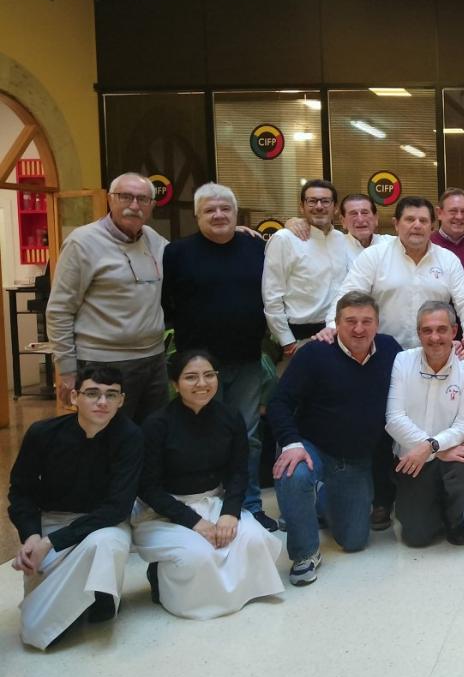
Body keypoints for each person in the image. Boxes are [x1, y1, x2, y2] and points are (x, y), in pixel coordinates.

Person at [134, 350, 284, 618]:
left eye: (208, 375)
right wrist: (195, 522)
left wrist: (230, 514)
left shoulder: (230, 417)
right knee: (198, 555)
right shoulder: (156, 424)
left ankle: (239, 595)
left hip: (214, 501)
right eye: (191, 377)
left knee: (253, 539)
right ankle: (172, 589)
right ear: (174, 383)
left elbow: (239, 472)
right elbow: (148, 487)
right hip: (167, 510)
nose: (201, 384)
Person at [161, 182, 276, 531]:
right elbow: (167, 306)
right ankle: (211, 506)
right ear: (197, 215)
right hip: (199, 368)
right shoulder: (177, 253)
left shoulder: (257, 248)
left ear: (236, 213)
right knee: (207, 435)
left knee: (248, 436)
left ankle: (249, 505)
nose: (218, 214)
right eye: (209, 209)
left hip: (246, 361)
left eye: (225, 208)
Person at [268, 292, 401, 586]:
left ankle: (312, 503)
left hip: (353, 461)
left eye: (367, 321)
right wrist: (291, 442)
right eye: (350, 321)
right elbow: (278, 403)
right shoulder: (315, 353)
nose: (359, 329)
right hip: (310, 446)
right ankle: (305, 553)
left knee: (354, 540)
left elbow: (420, 371)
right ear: (336, 324)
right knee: (294, 472)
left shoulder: (391, 350)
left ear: (377, 324)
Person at [7, 365, 144, 649]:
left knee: (103, 545)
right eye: (92, 393)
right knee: (36, 629)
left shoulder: (130, 437)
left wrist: (51, 542)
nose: (102, 402)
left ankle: (100, 597)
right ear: (74, 397)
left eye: (111, 395)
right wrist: (32, 536)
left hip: (105, 524)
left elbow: (117, 508)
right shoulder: (42, 433)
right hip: (51, 522)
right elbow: (21, 492)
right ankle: (83, 598)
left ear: (122, 400)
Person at [46, 172, 169, 422]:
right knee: (107, 443)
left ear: (151, 206)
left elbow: (188, 255)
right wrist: (67, 371)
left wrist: (228, 234)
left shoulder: (154, 240)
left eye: (142, 199)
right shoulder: (82, 243)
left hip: (153, 362)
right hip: (102, 364)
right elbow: (59, 310)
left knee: (152, 440)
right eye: (126, 197)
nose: (134, 205)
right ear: (110, 200)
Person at [326, 196, 464, 357]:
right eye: (410, 219)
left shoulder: (448, 260)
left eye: (423, 220)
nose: (417, 225)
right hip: (382, 354)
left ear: (432, 226)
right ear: (396, 224)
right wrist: (332, 327)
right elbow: (347, 297)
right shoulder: (374, 256)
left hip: (434, 354)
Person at [385, 301, 464, 547]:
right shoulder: (402, 361)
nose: (434, 337)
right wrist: (434, 448)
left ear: (454, 331)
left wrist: (430, 446)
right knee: (416, 538)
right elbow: (394, 418)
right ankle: (428, 503)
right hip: (413, 459)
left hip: (445, 456)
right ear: (418, 333)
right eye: (427, 330)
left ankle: (454, 515)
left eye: (441, 329)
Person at [262, 179, 352, 359]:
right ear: (302, 207)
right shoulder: (284, 239)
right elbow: (271, 295)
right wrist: (286, 340)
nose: (319, 206)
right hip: (298, 337)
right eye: (312, 201)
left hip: (338, 334)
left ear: (335, 207)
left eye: (325, 201)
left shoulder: (342, 240)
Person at [285, 192, 395, 258]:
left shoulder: (392, 244)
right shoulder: (333, 243)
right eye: (353, 214)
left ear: (376, 218)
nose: (360, 219)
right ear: (343, 221)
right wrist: (291, 222)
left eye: (365, 213)